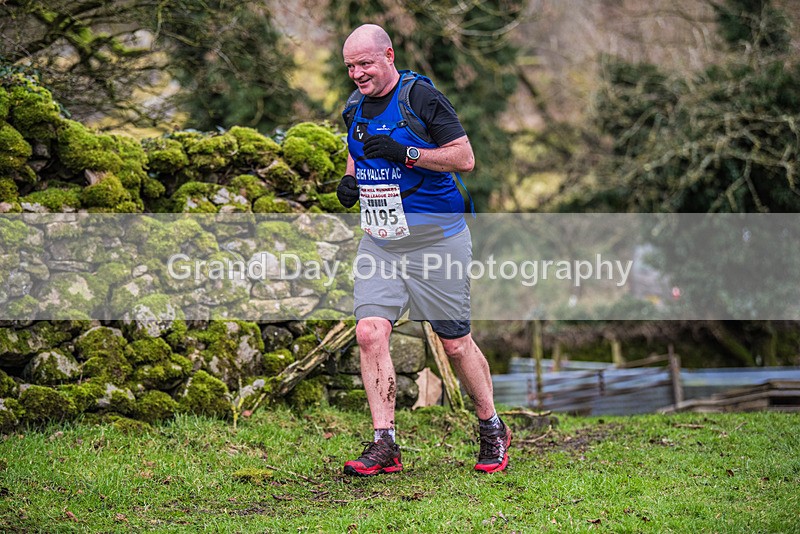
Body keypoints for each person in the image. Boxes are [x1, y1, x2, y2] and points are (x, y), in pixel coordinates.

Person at [336, 24, 511, 476]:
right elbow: (356, 146)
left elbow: (463, 158)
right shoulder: (354, 105)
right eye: (350, 66)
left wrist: (406, 153)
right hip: (381, 242)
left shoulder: (422, 99)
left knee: (455, 344)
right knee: (370, 332)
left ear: (388, 56)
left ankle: (492, 426)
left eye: (365, 63)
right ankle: (385, 443)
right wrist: (351, 179)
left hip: (438, 240)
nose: (357, 73)